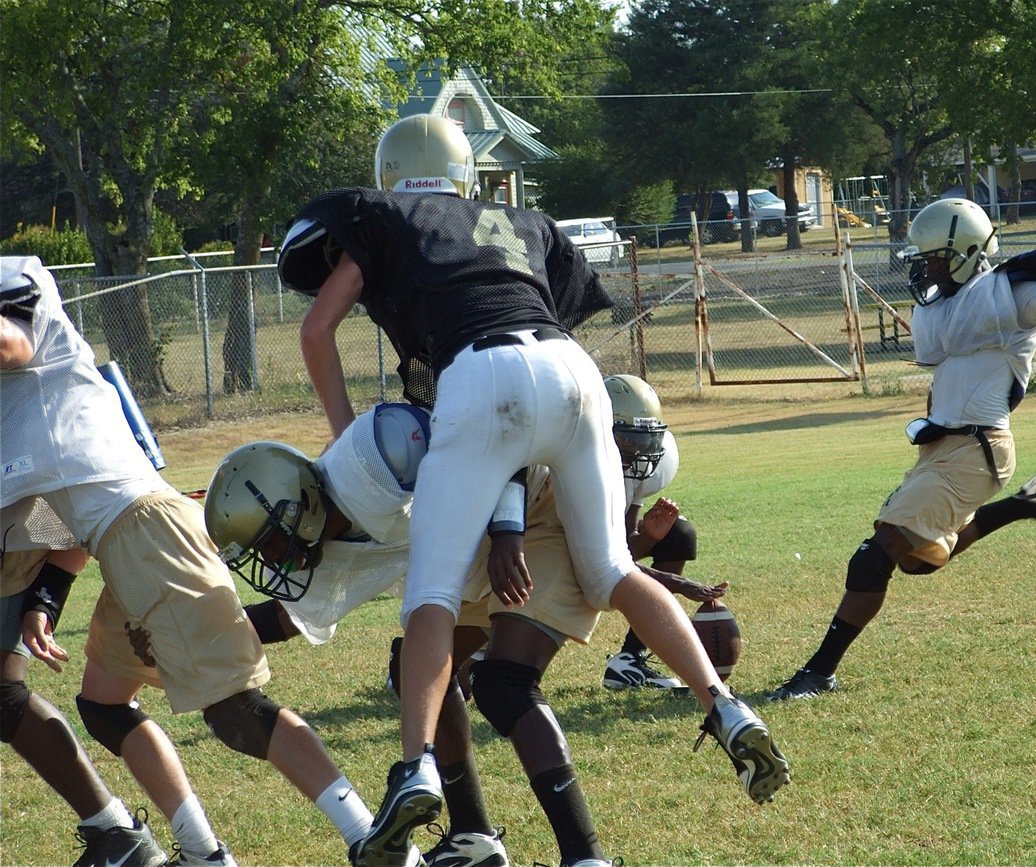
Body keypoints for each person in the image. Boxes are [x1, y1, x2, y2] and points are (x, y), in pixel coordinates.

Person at [277, 114, 788, 865]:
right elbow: (535, 336)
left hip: (478, 375)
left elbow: (318, 330)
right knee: (612, 566)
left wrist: (346, 437)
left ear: (392, 174)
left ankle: (416, 763)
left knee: (432, 596)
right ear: (464, 173)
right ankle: (726, 704)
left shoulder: (381, 214)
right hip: (575, 373)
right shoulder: (523, 216)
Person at [206, 402, 727, 867]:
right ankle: (473, 834)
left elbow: (495, 444)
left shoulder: (378, 451)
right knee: (416, 668)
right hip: (475, 550)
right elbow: (279, 622)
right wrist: (185, 634)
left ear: (297, 505)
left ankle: (585, 855)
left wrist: (507, 531)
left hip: (535, 512)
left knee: (504, 682)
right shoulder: (323, 543)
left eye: (270, 545)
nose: (274, 562)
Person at [0, 255, 378, 864]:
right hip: (122, 544)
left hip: (148, 533)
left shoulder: (25, 319)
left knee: (238, 710)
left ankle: (370, 838)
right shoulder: (45, 416)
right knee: (103, 704)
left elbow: (11, 341)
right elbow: (62, 513)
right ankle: (204, 854)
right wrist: (46, 598)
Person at [767, 198, 1036, 702]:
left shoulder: (1013, 290)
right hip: (946, 448)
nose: (928, 268)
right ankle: (1027, 503)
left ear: (966, 251)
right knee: (918, 561)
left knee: (875, 555)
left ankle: (818, 672)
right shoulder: (949, 306)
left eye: (937, 258)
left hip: (978, 448)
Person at [0, 500, 167, 867]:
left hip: (15, 550)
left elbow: (87, 503)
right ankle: (115, 831)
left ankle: (118, 831)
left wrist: (46, 598)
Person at [598, 374, 722, 691]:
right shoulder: (576, 466)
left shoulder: (649, 463)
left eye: (645, 440)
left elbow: (622, 547)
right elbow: (595, 557)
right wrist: (678, 584)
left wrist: (650, 537)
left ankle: (630, 659)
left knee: (678, 535)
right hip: (539, 553)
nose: (639, 451)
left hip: (589, 551)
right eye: (627, 440)